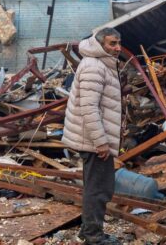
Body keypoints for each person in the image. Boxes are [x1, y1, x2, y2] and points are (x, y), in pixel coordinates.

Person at [62, 28, 122, 244]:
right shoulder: (94, 67)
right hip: (93, 141)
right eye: (112, 44)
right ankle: (92, 237)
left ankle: (89, 231)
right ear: (100, 45)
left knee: (97, 187)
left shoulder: (101, 64)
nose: (117, 48)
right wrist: (101, 142)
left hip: (93, 140)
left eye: (118, 43)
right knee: (98, 189)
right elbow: (89, 108)